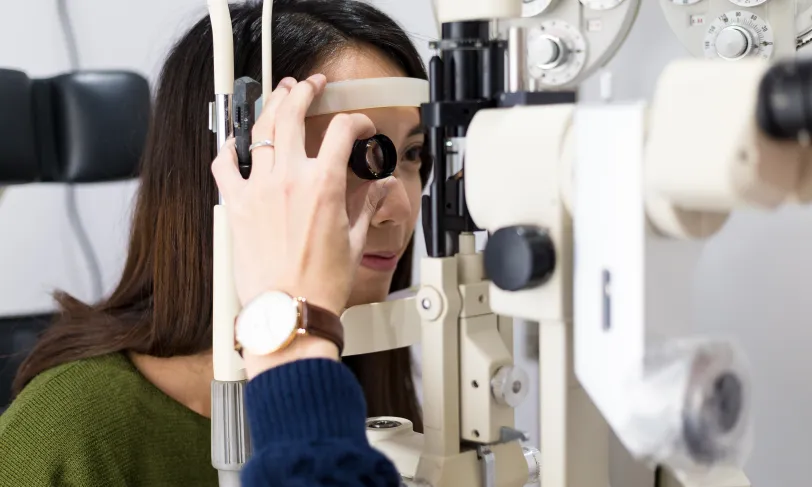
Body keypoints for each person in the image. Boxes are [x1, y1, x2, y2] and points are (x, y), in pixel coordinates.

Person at [0, 1, 430, 485]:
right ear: (230, 171)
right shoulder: (71, 430)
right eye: (346, 156)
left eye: (412, 153)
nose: (398, 208)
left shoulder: (366, 393)